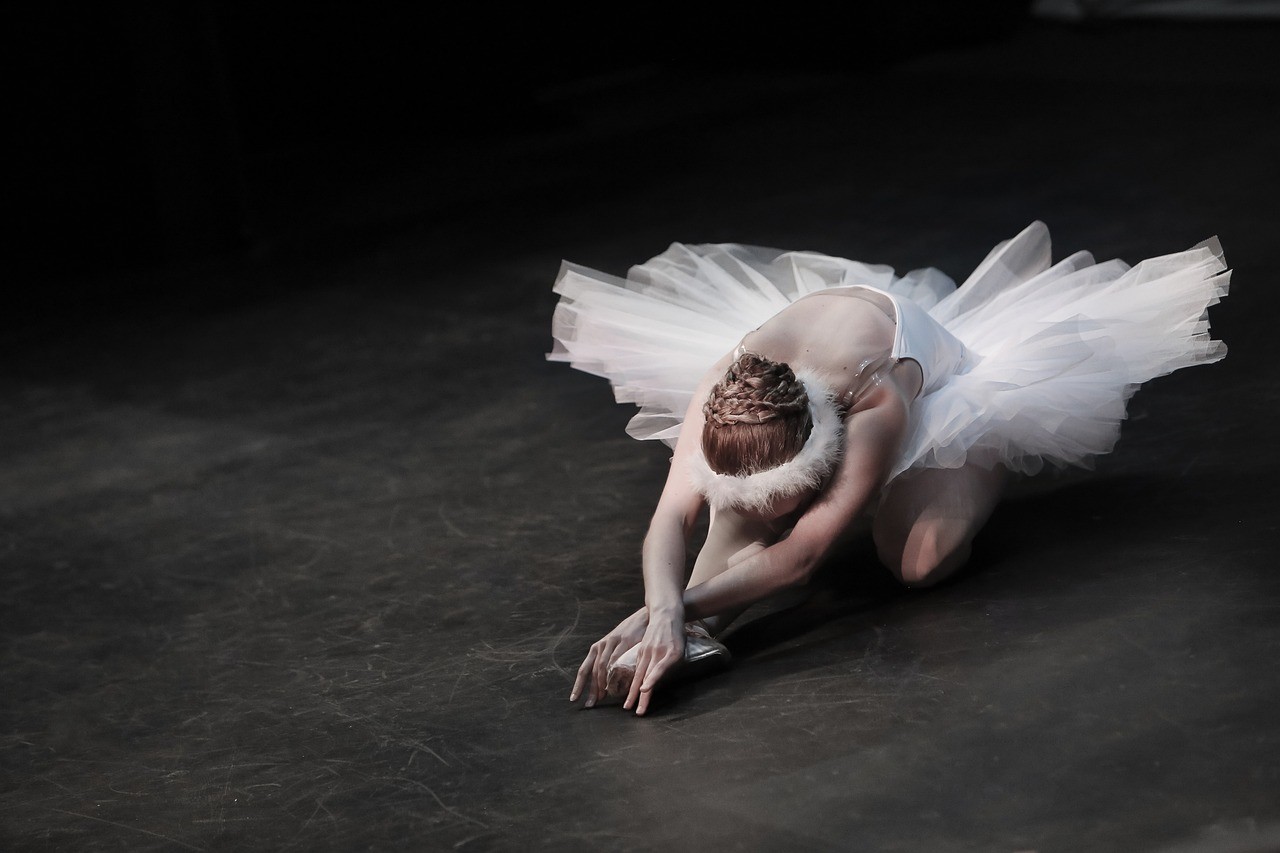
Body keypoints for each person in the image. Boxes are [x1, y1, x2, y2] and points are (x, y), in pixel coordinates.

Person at [547, 221, 1230, 716]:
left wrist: (666, 607)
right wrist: (663, 611)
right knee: (725, 548)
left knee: (918, 562)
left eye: (785, 492)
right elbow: (671, 516)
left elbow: (803, 557)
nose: (763, 505)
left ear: (820, 451)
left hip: (942, 395)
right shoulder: (719, 390)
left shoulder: (876, 401)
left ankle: (982, 463)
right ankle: (682, 639)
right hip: (813, 384)